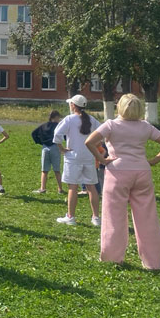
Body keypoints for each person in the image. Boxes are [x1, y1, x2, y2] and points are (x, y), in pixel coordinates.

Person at [85, 94, 160, 269]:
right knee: (148, 218)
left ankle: (112, 258)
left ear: (119, 107)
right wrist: (153, 161)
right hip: (142, 172)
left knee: (114, 217)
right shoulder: (145, 126)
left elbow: (89, 141)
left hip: (117, 172)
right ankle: (153, 262)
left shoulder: (111, 125)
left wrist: (102, 159)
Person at [53, 94, 101, 226]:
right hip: (89, 156)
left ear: (73, 105)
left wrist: (62, 149)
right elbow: (101, 134)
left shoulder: (69, 119)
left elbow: (57, 135)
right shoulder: (92, 120)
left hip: (73, 157)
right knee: (91, 187)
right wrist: (96, 148)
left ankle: (71, 217)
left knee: (72, 187)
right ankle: (96, 218)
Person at [31, 111, 64, 194]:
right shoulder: (58, 126)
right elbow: (64, 135)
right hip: (55, 147)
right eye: (58, 118)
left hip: (45, 148)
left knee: (44, 170)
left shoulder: (43, 126)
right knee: (57, 170)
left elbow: (33, 133)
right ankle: (60, 188)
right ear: (55, 117)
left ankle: (43, 188)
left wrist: (40, 142)